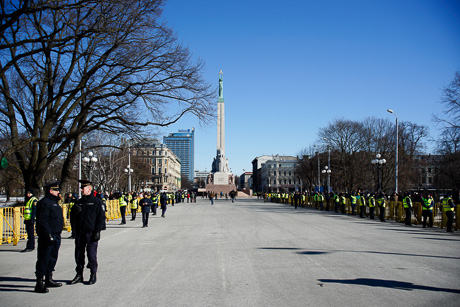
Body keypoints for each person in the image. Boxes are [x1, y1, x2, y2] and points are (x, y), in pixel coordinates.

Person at [69, 180, 105, 285]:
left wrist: (98, 231)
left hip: (91, 233)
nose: (81, 190)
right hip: (80, 233)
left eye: (83, 188)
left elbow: (101, 218)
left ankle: (93, 274)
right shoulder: (79, 202)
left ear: (89, 189)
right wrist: (74, 230)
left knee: (91, 255)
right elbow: (73, 218)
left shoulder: (96, 201)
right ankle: (79, 274)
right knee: (79, 255)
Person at [34, 182, 63, 293]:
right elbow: (42, 221)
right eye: (56, 190)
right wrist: (48, 234)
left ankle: (48, 279)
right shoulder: (44, 203)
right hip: (47, 236)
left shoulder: (54, 202)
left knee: (52, 257)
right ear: (51, 191)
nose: (58, 192)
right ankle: (39, 282)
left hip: (56, 234)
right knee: (44, 258)